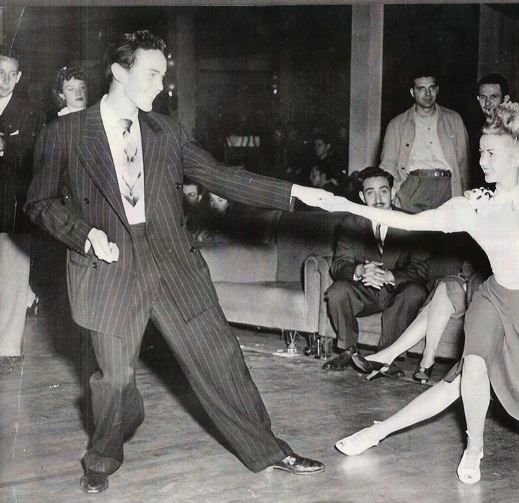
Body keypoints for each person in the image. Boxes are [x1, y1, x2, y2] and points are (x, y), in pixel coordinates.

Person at [25, 30, 330, 494]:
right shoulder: (64, 133)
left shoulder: (167, 132)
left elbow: (220, 177)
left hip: (172, 259)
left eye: (163, 77)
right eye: (151, 75)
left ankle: (268, 448)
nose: (160, 86)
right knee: (114, 378)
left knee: (221, 357)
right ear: (119, 72)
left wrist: (297, 194)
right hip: (108, 264)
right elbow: (40, 203)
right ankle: (102, 457)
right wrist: (84, 234)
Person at [317, 96, 519, 484]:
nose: (482, 162)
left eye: (492, 153)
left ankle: (381, 429)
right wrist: (348, 207)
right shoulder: (475, 207)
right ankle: (472, 447)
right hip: (493, 300)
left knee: (455, 388)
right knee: (474, 365)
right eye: (481, 152)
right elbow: (413, 223)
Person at [322, 167, 429, 373]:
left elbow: (422, 269)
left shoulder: (412, 222)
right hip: (366, 291)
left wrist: (390, 275)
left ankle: (386, 358)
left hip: (398, 292)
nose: (378, 199)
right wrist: (361, 270)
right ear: (362, 196)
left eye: (383, 191)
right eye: (370, 193)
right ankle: (348, 351)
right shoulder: (349, 223)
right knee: (337, 291)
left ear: (393, 191)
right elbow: (339, 265)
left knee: (415, 291)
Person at [353, 259, 484, 384]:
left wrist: (473, 281)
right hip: (463, 280)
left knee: (440, 297)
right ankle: (425, 359)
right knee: (446, 285)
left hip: (486, 285)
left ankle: (390, 355)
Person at [0, 49, 45, 374]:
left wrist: (5, 148)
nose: (2, 79)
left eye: (9, 73)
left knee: (13, 278)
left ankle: (7, 347)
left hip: (11, 206)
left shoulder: (30, 114)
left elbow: (32, 162)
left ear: (17, 78)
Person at [379, 70, 469, 213]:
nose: (427, 94)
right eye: (421, 89)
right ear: (412, 92)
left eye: (431, 88)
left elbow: (464, 163)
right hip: (412, 187)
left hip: (447, 187)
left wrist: (465, 196)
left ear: (437, 90)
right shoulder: (396, 124)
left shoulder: (454, 119)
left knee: (446, 234)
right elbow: (388, 165)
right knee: (413, 234)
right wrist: (396, 191)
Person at [471, 74, 519, 184]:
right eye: (483, 97)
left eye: (493, 97)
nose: (487, 103)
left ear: (505, 98)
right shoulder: (477, 128)